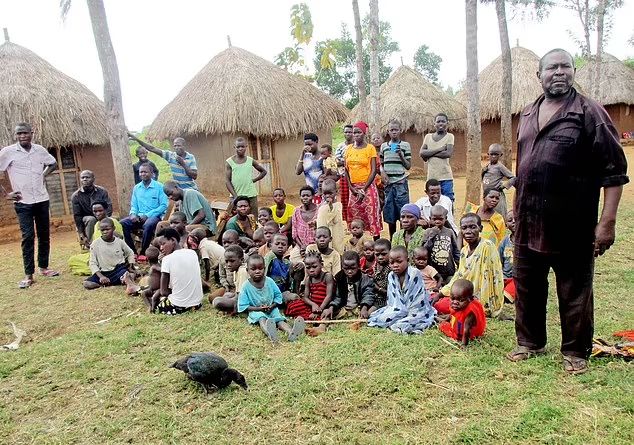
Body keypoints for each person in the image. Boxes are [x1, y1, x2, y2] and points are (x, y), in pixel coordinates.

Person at [508, 48, 629, 374]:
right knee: (528, 284)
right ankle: (530, 342)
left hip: (572, 225)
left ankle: (575, 351)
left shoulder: (590, 114)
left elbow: (615, 172)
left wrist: (607, 223)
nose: (558, 72)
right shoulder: (528, 113)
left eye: (565, 66)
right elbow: (524, 166)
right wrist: (516, 209)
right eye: (551, 68)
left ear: (573, 72)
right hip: (528, 220)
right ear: (539, 75)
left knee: (574, 289)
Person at [0, 123, 59, 288]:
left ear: (31, 133)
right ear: (15, 135)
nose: (22, 136)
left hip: (41, 199)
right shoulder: (8, 152)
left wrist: (43, 175)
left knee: (44, 234)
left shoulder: (39, 150)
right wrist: (6, 194)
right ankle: (28, 274)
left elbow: (53, 163)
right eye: (19, 133)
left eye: (25, 133)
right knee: (27, 237)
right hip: (22, 201)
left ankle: (44, 267)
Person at [436, 213, 504, 318]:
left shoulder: (487, 246)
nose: (468, 231)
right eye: (464, 228)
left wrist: (479, 305)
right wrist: (440, 294)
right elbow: (459, 276)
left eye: (473, 227)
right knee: (438, 303)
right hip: (465, 296)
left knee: (444, 306)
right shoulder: (464, 251)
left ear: (480, 228)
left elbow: (488, 280)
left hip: (480, 299)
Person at [367, 246, 437, 334]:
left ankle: (402, 320)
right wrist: (398, 312)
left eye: (399, 262)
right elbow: (393, 301)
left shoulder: (414, 273)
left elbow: (418, 300)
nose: (395, 265)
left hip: (416, 309)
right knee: (378, 317)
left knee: (402, 324)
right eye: (391, 263)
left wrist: (404, 313)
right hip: (398, 309)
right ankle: (399, 318)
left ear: (407, 260)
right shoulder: (391, 276)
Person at [238, 254, 306, 343]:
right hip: (256, 311)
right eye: (253, 269)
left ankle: (291, 333)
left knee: (279, 320)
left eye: (260, 268)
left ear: (264, 268)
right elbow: (243, 305)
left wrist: (273, 306)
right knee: (262, 319)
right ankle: (270, 334)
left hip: (272, 308)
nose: (257, 271)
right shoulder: (245, 286)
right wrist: (259, 309)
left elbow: (278, 296)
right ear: (247, 270)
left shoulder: (269, 281)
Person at [120, 164, 168, 257]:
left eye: (145, 172)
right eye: (141, 172)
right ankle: (132, 252)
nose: (142, 174)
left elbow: (163, 206)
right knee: (122, 223)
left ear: (152, 174)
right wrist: (133, 214)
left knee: (148, 225)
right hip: (138, 216)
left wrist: (148, 215)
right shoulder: (137, 188)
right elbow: (134, 205)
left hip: (154, 216)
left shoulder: (159, 187)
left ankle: (144, 252)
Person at [152, 228, 203, 315]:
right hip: (197, 304)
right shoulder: (192, 253)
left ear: (173, 240)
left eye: (163, 244)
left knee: (157, 298)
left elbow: (163, 292)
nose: (161, 248)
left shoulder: (167, 259)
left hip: (178, 306)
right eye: (159, 245)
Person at [344, 121, 383, 237]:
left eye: (358, 132)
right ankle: (357, 246)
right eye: (354, 132)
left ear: (364, 133)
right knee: (355, 218)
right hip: (354, 188)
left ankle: (377, 245)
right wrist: (351, 188)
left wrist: (364, 189)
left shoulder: (370, 148)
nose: (355, 135)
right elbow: (346, 169)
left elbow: (374, 170)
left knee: (372, 216)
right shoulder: (349, 149)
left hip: (368, 187)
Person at [68, 201, 124, 276]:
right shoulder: (97, 224)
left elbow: (120, 239)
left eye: (100, 211)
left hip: (111, 255)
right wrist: (90, 245)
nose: (97, 213)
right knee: (72, 260)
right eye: (95, 211)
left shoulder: (113, 222)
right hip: (98, 255)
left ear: (106, 210)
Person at [284, 251, 335, 330]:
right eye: (308, 268)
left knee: (326, 314)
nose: (311, 270)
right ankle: (307, 319)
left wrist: (319, 309)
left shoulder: (327, 276)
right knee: (292, 305)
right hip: (313, 306)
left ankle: (321, 326)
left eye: (314, 267)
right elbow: (305, 297)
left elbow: (329, 296)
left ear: (321, 265)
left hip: (324, 305)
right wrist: (313, 305)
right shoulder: (308, 279)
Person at [128, 133, 198, 190]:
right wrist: (137, 139)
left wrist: (183, 164)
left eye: (179, 146)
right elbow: (152, 148)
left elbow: (194, 176)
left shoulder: (190, 157)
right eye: (175, 146)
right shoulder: (170, 156)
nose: (176, 148)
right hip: (179, 191)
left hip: (191, 189)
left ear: (184, 146)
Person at [379, 120, 412, 238]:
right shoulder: (384, 146)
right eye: (391, 130)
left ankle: (403, 239)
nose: (394, 132)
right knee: (389, 214)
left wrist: (400, 155)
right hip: (388, 185)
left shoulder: (405, 145)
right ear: (388, 131)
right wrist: (383, 173)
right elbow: (380, 163)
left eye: (396, 130)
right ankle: (393, 240)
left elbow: (408, 166)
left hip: (400, 183)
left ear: (400, 131)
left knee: (403, 214)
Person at [83, 218, 136, 290]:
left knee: (129, 275)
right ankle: (108, 282)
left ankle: (123, 280)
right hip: (103, 272)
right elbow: (92, 262)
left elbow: (130, 252)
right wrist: (101, 276)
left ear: (113, 228)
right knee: (87, 284)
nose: (105, 232)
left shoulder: (119, 242)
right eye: (102, 230)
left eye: (107, 229)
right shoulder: (95, 244)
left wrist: (131, 264)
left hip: (118, 270)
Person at [321, 251, 374, 320]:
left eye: (353, 268)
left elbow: (368, 294)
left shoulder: (364, 278)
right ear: (342, 266)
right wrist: (331, 307)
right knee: (327, 312)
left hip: (359, 307)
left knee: (372, 310)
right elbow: (337, 297)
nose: (349, 271)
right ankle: (322, 326)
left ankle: (359, 322)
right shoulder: (339, 278)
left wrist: (364, 307)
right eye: (346, 268)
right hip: (343, 308)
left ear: (358, 266)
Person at [438, 279, 487, 347]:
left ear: (470, 298)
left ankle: (442, 321)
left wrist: (464, 344)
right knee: (449, 318)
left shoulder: (470, 313)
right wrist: (446, 319)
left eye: (461, 300)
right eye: (452, 298)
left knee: (443, 326)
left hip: (468, 334)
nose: (455, 302)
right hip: (461, 323)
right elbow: (454, 314)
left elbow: (466, 330)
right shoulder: (461, 306)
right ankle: (443, 319)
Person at [225, 137, 267, 215]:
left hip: (250, 195)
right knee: (232, 217)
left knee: (254, 218)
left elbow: (264, 172)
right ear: (234, 147)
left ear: (246, 147)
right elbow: (227, 181)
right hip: (235, 195)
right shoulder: (229, 162)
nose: (240, 149)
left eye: (242, 146)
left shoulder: (250, 160)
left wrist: (254, 180)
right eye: (238, 147)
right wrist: (235, 196)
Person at [71, 170, 113, 247]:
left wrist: (104, 219)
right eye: (82, 178)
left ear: (93, 179)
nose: (84, 179)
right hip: (86, 219)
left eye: (87, 177)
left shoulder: (102, 191)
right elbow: (77, 216)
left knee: (114, 220)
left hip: (102, 216)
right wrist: (81, 234)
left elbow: (109, 207)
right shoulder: (76, 196)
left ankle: (112, 243)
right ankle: (92, 245)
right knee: (91, 219)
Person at [420, 113, 455, 202]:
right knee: (433, 201)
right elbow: (422, 153)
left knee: (448, 201)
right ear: (434, 123)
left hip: (446, 177)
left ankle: (450, 217)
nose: (440, 123)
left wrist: (429, 154)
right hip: (432, 178)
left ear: (447, 123)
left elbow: (448, 154)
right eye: (438, 121)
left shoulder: (449, 136)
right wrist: (440, 149)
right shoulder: (428, 137)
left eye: (443, 121)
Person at [422, 205, 460, 283]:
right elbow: (424, 250)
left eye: (440, 219)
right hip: (433, 272)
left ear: (445, 218)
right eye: (434, 219)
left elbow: (456, 250)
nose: (437, 221)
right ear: (430, 219)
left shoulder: (449, 232)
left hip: (448, 269)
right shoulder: (427, 232)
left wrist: (459, 264)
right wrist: (431, 236)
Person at [213, 245, 249, 314]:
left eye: (232, 261)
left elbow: (241, 295)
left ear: (241, 260)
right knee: (226, 295)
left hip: (247, 300)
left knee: (217, 301)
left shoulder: (243, 271)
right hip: (239, 295)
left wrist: (234, 311)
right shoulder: (236, 270)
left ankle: (235, 309)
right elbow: (237, 292)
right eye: (227, 261)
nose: (228, 264)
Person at [482, 143, 515, 216]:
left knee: (499, 215)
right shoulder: (487, 166)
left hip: (496, 196)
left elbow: (513, 178)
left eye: (496, 154)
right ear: (488, 154)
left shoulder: (500, 167)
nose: (493, 156)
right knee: (489, 214)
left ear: (501, 155)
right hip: (488, 196)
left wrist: (504, 185)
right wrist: (483, 171)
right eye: (492, 154)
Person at [289, 186, 318, 265]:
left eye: (308, 196)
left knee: (313, 262)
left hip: (315, 246)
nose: (305, 198)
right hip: (300, 246)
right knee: (292, 261)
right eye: (303, 196)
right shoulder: (296, 211)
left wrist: (309, 248)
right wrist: (302, 246)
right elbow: (294, 234)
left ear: (313, 196)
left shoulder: (319, 210)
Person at [264, 233, 297, 298]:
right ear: (270, 246)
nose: (280, 246)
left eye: (283, 244)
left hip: (281, 292)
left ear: (287, 247)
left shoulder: (287, 263)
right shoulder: (270, 257)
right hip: (269, 293)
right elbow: (264, 275)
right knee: (293, 298)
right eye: (277, 244)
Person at [317, 178, 344, 255]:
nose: (327, 196)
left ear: (336, 192)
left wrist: (330, 207)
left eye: (330, 193)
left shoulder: (337, 206)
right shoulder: (322, 206)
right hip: (323, 235)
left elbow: (334, 219)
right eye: (325, 194)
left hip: (335, 234)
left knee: (337, 252)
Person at [335, 124, 354, 223]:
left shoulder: (356, 146)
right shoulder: (340, 146)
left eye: (350, 132)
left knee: (355, 199)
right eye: (346, 132)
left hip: (356, 177)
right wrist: (350, 161)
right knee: (345, 200)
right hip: (344, 176)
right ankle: (348, 222)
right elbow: (337, 162)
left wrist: (346, 161)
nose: (348, 134)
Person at [369, 238, 391, 312]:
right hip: (375, 297)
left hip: (388, 298)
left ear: (390, 252)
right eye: (377, 255)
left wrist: (378, 288)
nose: (380, 257)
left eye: (384, 254)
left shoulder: (392, 268)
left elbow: (391, 292)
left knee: (370, 313)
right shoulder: (375, 265)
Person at [498, 210, 516, 303]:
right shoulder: (504, 242)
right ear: (506, 224)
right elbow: (499, 261)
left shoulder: (527, 241)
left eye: (516, 219)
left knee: (508, 295)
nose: (513, 221)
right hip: (504, 277)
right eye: (510, 220)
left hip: (518, 278)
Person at [140, 246, 162, 311]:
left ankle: (152, 308)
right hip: (151, 289)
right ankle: (149, 306)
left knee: (154, 298)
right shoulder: (152, 267)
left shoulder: (155, 267)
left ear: (147, 259)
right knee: (143, 293)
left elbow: (162, 270)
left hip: (159, 289)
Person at [370, 132, 385, 210]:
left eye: (378, 138)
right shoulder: (369, 153)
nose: (376, 140)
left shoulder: (388, 150)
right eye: (373, 139)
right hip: (375, 182)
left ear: (383, 140)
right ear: (371, 141)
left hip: (388, 181)